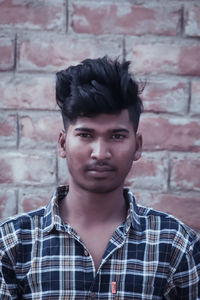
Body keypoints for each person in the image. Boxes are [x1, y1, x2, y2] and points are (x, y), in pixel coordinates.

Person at [0, 56, 199, 299]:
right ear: (63, 143)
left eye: (116, 136)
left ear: (137, 145)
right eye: (85, 135)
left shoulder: (176, 245)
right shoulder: (12, 245)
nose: (100, 153)